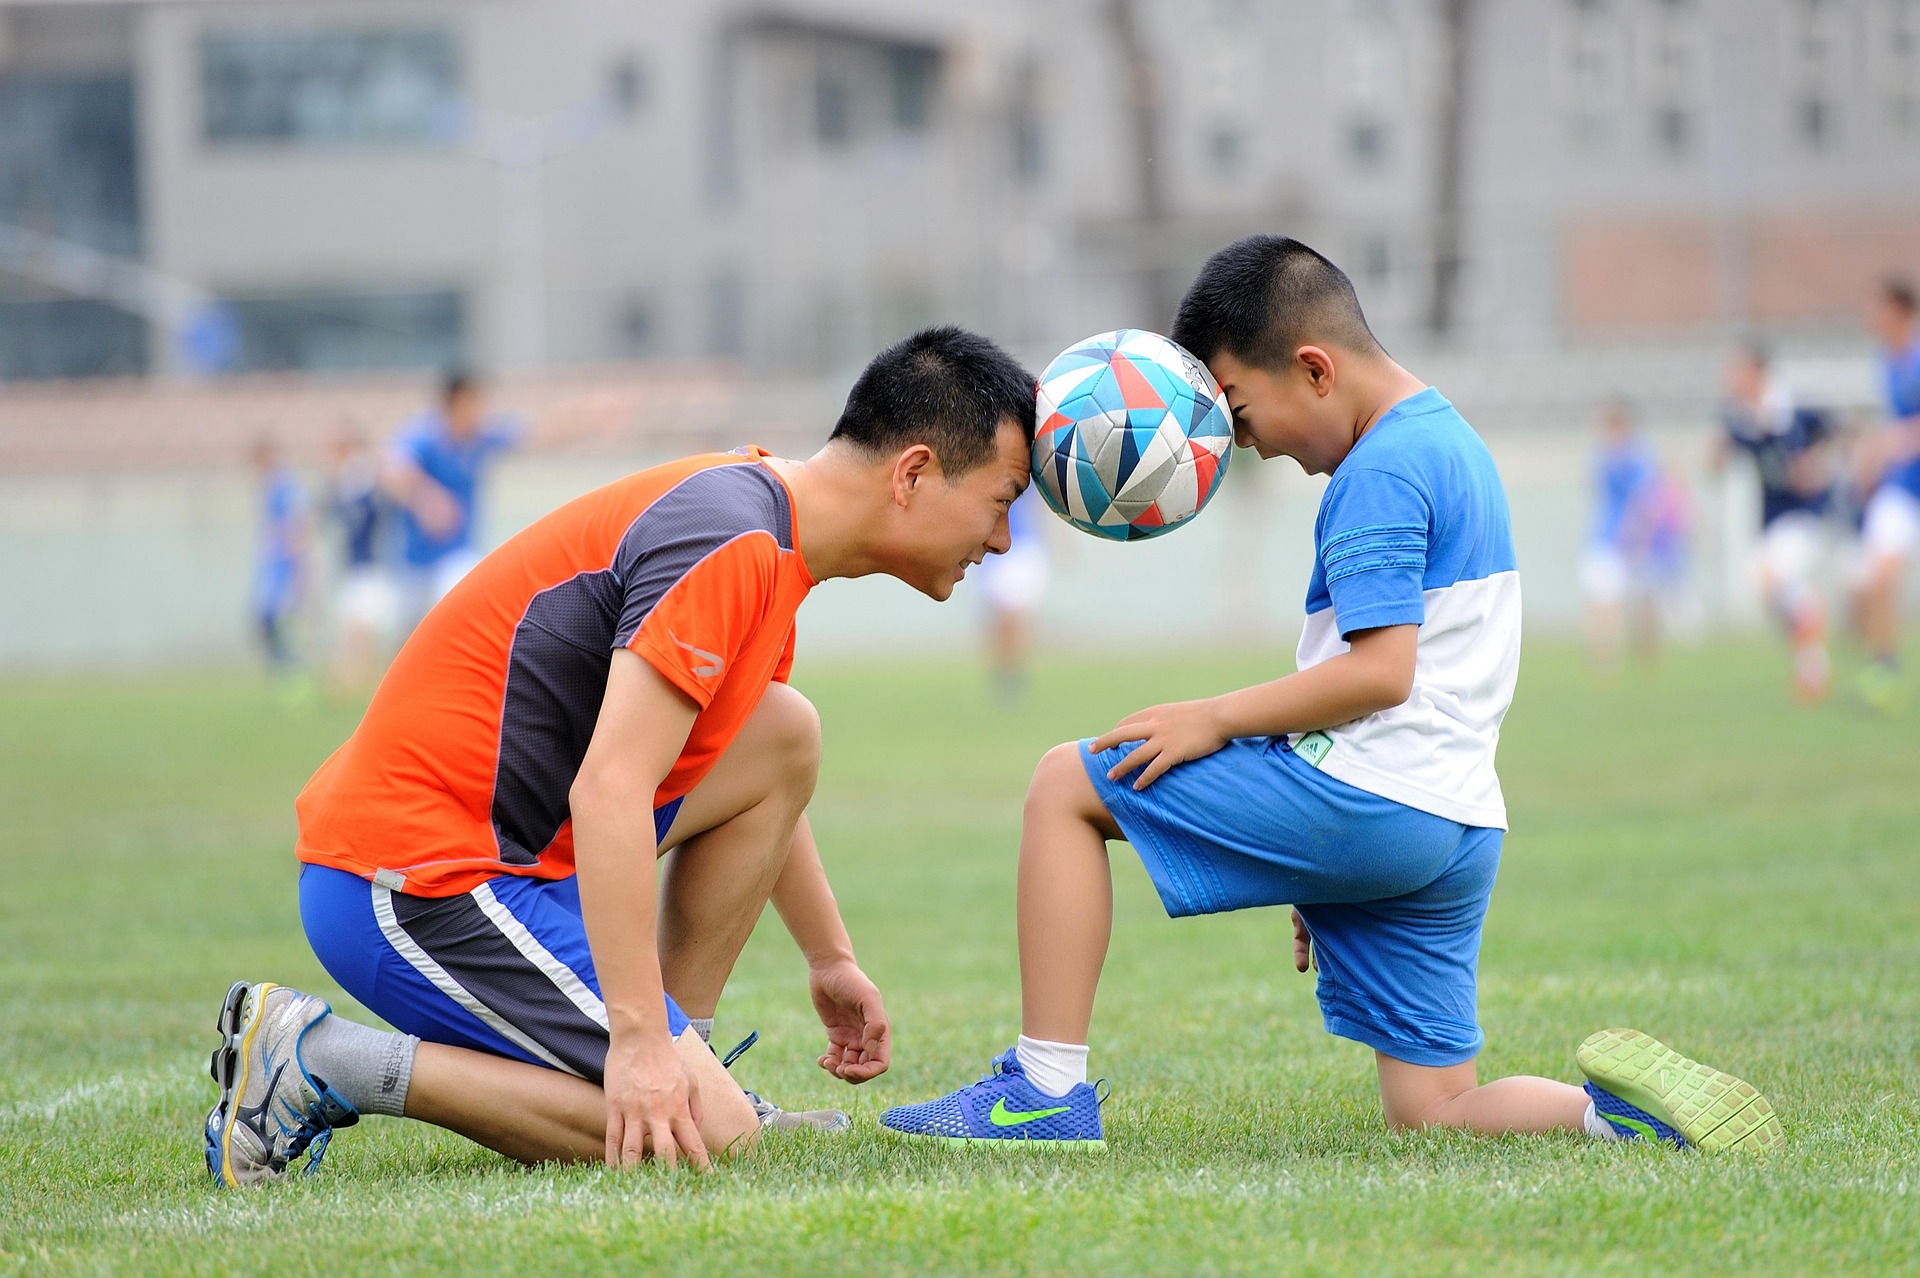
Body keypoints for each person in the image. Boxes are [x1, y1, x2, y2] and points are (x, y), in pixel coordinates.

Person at [881, 237, 1783, 1153]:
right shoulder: (1450, 441)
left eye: (1237, 407)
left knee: (1063, 787)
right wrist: (1320, 866)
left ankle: (1042, 1090)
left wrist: (1214, 718)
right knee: (1432, 1110)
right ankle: (1619, 1122)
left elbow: (1379, 674)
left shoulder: (1377, 473)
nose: (1240, 441)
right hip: (1455, 821)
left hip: (1371, 801)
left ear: (1313, 369)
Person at [204, 327, 1038, 1185]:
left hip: (509, 865)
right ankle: (318, 1062)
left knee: (784, 729)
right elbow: (611, 788)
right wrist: (640, 1044)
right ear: (913, 472)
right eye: (1001, 499)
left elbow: (745, 766)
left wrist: (830, 958)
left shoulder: (768, 534)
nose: (1005, 539)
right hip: (412, 880)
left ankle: (693, 1069)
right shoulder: (734, 540)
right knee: (706, 1140)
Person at [1710, 344, 1835, 702]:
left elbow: (1833, 439)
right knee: (1771, 592)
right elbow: (1718, 462)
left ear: (1759, 372)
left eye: (1739, 371)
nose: (1732, 380)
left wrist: (1817, 465)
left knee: (1772, 579)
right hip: (1770, 520)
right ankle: (1810, 661)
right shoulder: (1738, 419)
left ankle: (1813, 653)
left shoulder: (1795, 410)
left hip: (1805, 514)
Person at [383, 370, 523, 623]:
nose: (481, 410)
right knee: (409, 639)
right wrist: (426, 499)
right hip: (415, 559)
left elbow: (531, 436)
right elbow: (391, 470)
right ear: (458, 400)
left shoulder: (480, 437)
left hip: (457, 555)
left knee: (464, 597)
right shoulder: (425, 434)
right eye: (476, 402)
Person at [1852, 278, 1920, 711]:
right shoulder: (1885, 360)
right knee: (1876, 577)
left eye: (1879, 308)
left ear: (1899, 310)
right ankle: (1884, 664)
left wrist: (1890, 443)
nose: (1872, 317)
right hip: (1903, 487)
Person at [1578, 400, 1664, 673]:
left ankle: (1643, 655)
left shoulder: (1636, 456)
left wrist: (1639, 536)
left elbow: (1645, 500)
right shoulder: (1603, 455)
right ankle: (1606, 660)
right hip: (1605, 538)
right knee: (1602, 600)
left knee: (1638, 604)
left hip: (1631, 541)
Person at [323, 424, 401, 693]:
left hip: (371, 568)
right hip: (357, 568)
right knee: (357, 632)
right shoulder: (344, 487)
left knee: (361, 631)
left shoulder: (366, 485)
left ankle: (355, 683)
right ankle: (358, 683)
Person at [974, 485, 1051, 700]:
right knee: (999, 620)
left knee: (1015, 617)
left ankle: (1013, 674)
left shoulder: (1028, 478)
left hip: (1022, 546)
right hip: (994, 551)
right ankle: (1005, 674)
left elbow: (1041, 508)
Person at [249, 437, 310, 683]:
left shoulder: (283, 484)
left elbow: (297, 523)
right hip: (274, 563)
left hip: (283, 564)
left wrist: (298, 564)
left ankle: (290, 666)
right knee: (266, 619)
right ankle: (285, 665)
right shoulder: (272, 485)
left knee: (274, 617)